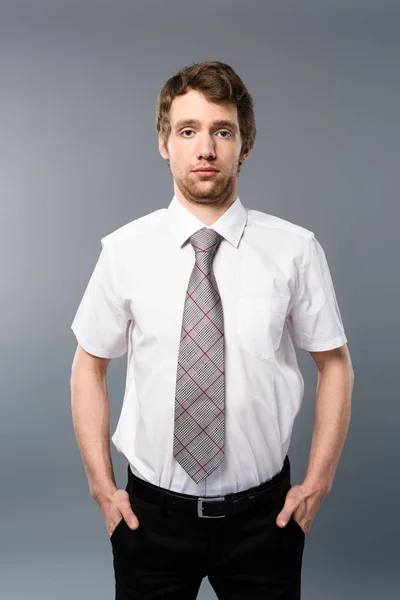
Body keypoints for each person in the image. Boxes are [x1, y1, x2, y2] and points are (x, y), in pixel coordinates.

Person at [70, 60, 354, 600]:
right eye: (188, 131)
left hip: (263, 524)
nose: (206, 149)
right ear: (164, 143)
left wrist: (318, 483)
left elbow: (334, 364)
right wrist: (102, 489)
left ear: (244, 146)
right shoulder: (123, 251)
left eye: (222, 131)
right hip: (150, 521)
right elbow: (89, 365)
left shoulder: (295, 250)